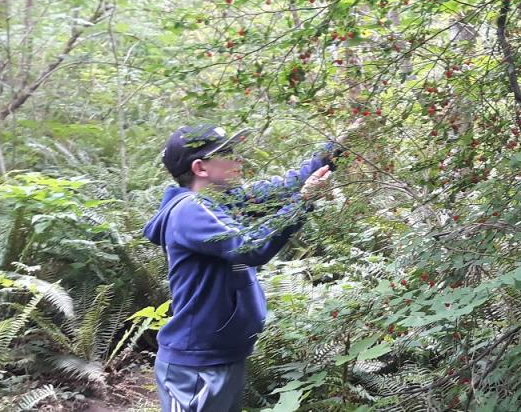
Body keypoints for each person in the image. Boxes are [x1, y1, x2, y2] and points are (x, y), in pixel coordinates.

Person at [143, 120, 360, 412]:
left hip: (222, 354)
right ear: (200, 168)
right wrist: (303, 201)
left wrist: (339, 145)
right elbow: (250, 247)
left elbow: (290, 184)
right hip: (196, 365)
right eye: (228, 153)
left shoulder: (224, 200)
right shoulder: (190, 211)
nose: (238, 159)